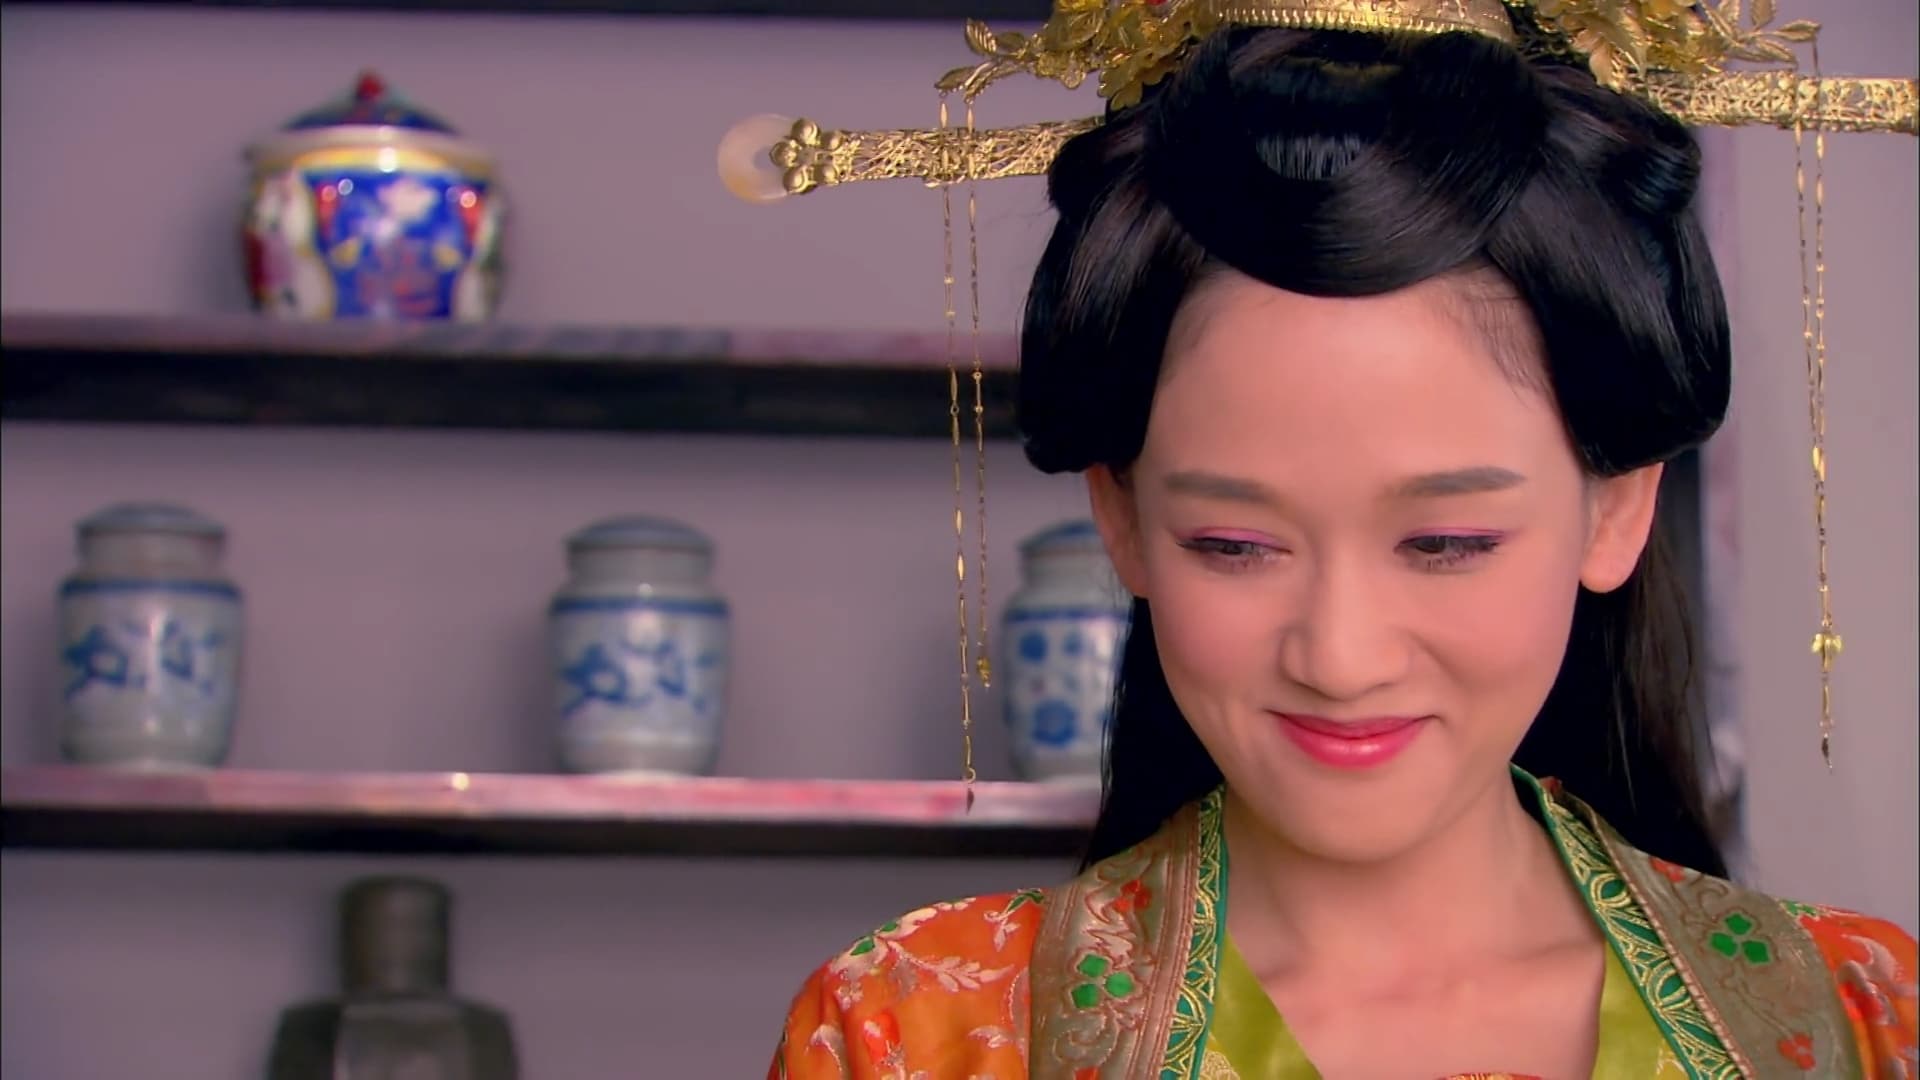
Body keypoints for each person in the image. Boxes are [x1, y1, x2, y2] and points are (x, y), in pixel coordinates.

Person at [749, 5, 1919, 1078]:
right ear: (1123, 519)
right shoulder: (919, 1035)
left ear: (1615, 510)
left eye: (1446, 542)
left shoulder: (1869, 1019)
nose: (1340, 657)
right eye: (1235, 544)